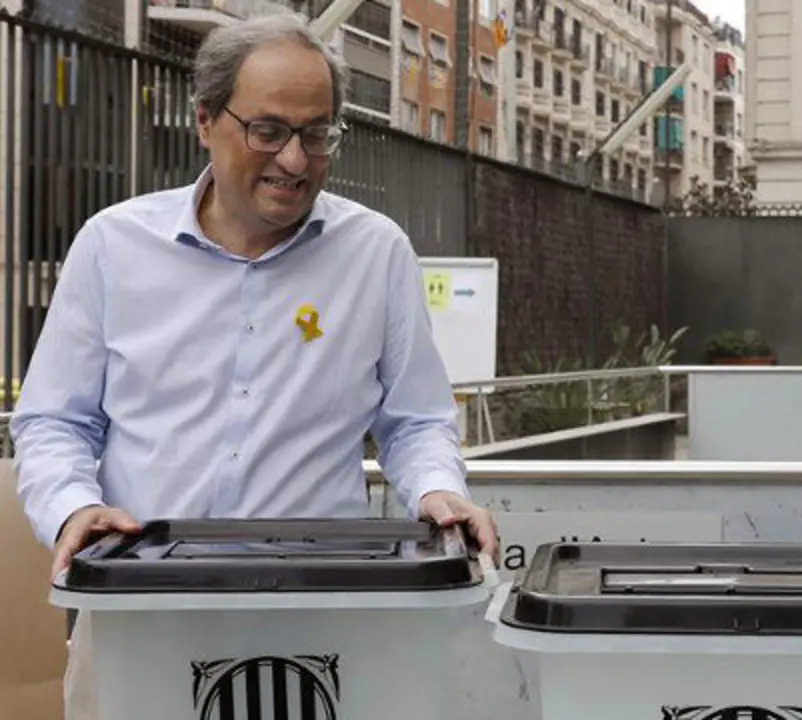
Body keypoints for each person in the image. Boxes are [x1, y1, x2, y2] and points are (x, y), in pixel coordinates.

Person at [11, 13, 499, 710]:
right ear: (205, 120)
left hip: (324, 617)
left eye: (317, 133)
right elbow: (54, 421)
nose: (295, 160)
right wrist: (74, 509)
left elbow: (415, 420)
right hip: (140, 616)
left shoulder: (376, 253)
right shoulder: (111, 247)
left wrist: (436, 490)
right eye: (268, 130)